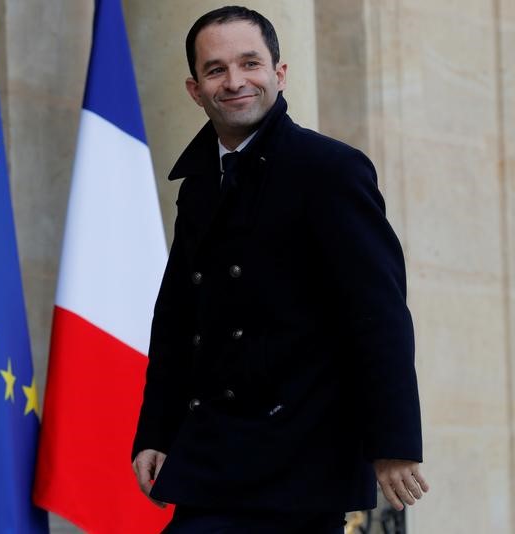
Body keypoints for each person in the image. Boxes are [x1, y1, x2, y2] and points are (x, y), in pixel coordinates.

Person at [131, 6, 429, 533]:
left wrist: (393, 444)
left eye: (250, 63)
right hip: (214, 452)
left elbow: (378, 315)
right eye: (216, 69)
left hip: (300, 459)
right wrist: (157, 432)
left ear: (279, 73)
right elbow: (178, 320)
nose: (235, 81)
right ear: (195, 89)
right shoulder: (199, 185)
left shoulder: (329, 170)